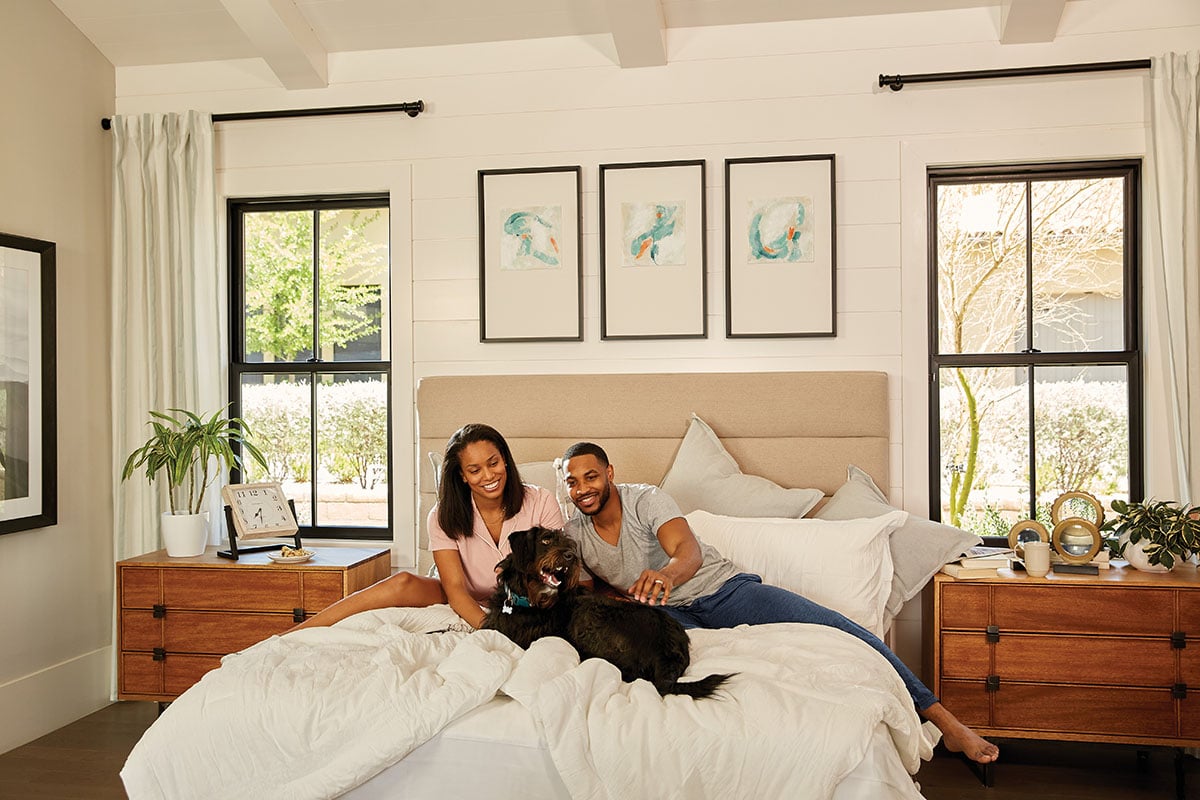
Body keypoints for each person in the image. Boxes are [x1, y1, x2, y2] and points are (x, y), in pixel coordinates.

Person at [560, 441, 1000, 765]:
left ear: (610, 472)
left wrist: (665, 576)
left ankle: (945, 722)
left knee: (842, 630)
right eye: (573, 482)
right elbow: (587, 589)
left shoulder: (647, 501)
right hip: (667, 616)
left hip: (724, 592)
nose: (583, 488)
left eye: (591, 476)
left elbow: (688, 553)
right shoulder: (574, 533)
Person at [293, 424, 564, 630]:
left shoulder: (541, 502)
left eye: (493, 463)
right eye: (475, 470)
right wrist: (489, 628)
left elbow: (555, 579)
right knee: (402, 581)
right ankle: (302, 630)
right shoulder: (442, 516)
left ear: (504, 459)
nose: (489, 476)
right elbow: (455, 590)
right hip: (465, 595)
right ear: (462, 475)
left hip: (523, 598)